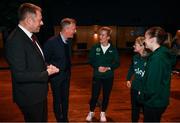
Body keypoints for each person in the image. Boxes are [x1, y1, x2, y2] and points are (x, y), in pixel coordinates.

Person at [5, 3, 59, 122]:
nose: (42, 23)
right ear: (29, 20)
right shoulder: (15, 41)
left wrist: (46, 66)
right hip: (29, 97)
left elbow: (35, 61)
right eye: (40, 20)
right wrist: (47, 73)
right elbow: (19, 75)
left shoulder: (31, 36)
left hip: (38, 94)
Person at [43, 18, 76, 122]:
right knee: (57, 100)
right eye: (73, 29)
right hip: (56, 78)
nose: (75, 31)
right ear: (66, 29)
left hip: (66, 76)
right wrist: (50, 68)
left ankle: (65, 119)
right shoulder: (51, 42)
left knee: (65, 99)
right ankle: (59, 120)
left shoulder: (69, 41)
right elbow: (44, 61)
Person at [142, 26, 176, 122]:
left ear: (152, 40)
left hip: (154, 101)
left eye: (145, 38)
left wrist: (142, 96)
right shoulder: (160, 54)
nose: (144, 41)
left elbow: (152, 86)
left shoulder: (157, 58)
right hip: (159, 99)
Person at [86, 26, 120, 122]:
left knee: (106, 95)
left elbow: (117, 63)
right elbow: (90, 60)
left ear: (108, 37)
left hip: (109, 77)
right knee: (94, 95)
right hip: (97, 76)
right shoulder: (95, 47)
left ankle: (103, 113)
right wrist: (98, 67)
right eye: (100, 35)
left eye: (103, 35)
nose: (100, 37)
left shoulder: (113, 49)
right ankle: (91, 112)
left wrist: (108, 68)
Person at [126, 36, 148, 122]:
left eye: (135, 44)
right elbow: (131, 68)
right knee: (134, 109)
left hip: (145, 90)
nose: (133, 46)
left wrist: (143, 89)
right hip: (134, 88)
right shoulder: (135, 57)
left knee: (146, 111)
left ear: (142, 46)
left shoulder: (150, 59)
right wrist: (128, 79)